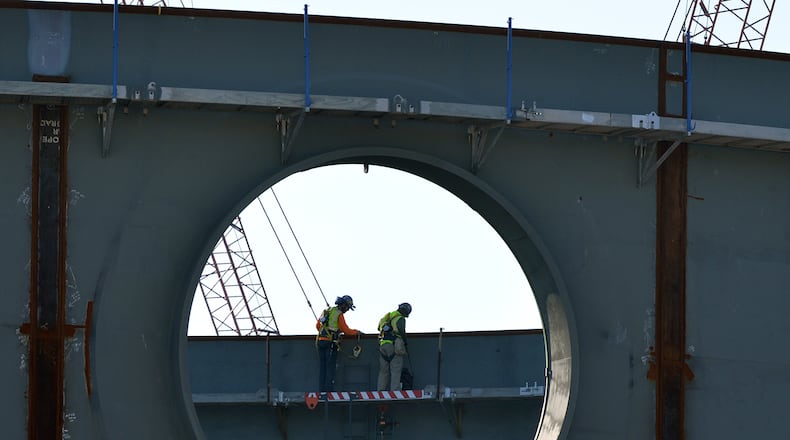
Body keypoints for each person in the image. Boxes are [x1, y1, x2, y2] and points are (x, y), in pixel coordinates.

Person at [315, 295, 360, 392]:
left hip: (320, 342)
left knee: (323, 368)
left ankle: (321, 391)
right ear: (343, 305)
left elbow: (318, 326)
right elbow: (346, 330)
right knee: (330, 368)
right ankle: (328, 392)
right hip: (330, 343)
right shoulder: (339, 314)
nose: (347, 310)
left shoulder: (327, 311)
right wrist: (356, 332)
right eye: (347, 307)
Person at [377, 302, 411, 391]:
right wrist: (405, 342)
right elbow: (402, 331)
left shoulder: (387, 316)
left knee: (383, 371)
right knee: (395, 369)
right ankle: (395, 391)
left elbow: (378, 328)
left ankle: (380, 390)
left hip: (383, 344)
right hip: (394, 345)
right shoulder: (400, 318)